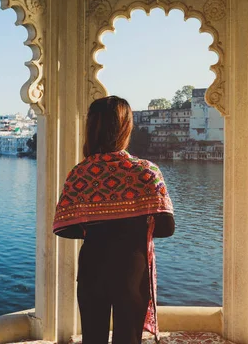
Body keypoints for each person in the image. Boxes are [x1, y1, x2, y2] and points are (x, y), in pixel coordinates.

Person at [53, 96, 175, 344]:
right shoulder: (146, 171)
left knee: (93, 338)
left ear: (91, 128)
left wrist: (97, 223)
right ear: (126, 128)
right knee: (128, 339)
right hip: (132, 267)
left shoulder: (80, 173)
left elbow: (64, 227)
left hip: (92, 265)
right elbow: (167, 227)